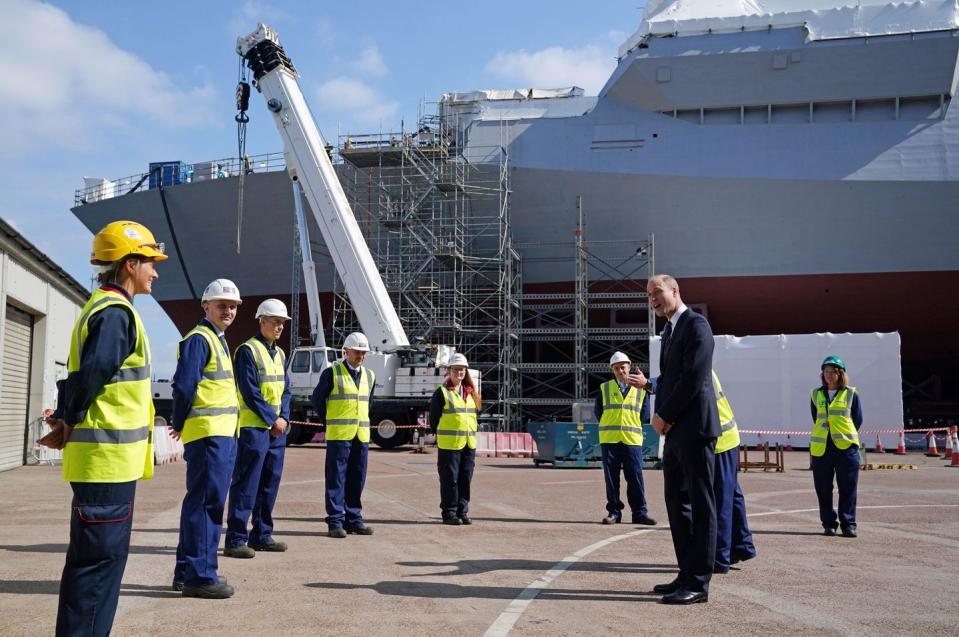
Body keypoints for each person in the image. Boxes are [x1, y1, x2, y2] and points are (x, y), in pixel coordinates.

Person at [40, 220, 166, 635]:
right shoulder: (116, 313)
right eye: (150, 262)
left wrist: (65, 416)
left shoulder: (106, 308)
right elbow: (91, 376)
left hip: (106, 464)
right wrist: (68, 418)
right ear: (129, 264)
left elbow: (84, 378)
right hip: (106, 465)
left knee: (93, 568)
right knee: (96, 573)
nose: (155, 271)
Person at [647, 274, 721, 605]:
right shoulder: (668, 331)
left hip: (695, 429)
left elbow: (694, 377)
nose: (652, 299)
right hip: (675, 431)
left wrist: (665, 415)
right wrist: (654, 401)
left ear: (675, 291)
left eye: (657, 292)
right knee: (677, 505)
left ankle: (699, 582)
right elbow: (669, 379)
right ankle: (685, 572)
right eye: (648, 295)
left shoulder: (696, 325)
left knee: (701, 504)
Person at [170, 279, 242, 599]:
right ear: (206, 307)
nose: (228, 310)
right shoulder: (200, 339)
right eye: (221, 305)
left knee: (199, 504)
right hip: (211, 436)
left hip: (217, 434)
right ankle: (200, 576)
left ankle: (187, 571)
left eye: (232, 306)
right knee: (207, 506)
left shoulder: (217, 339)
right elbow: (184, 385)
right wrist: (178, 420)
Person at [224, 299, 293, 558]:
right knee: (246, 483)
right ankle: (235, 539)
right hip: (253, 428)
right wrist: (272, 419)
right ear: (261, 320)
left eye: (282, 324)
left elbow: (286, 389)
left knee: (269, 484)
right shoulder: (246, 351)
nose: (279, 327)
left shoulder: (281, 354)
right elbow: (249, 391)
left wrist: (284, 418)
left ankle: (262, 534)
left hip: (276, 430)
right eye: (275, 322)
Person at [311, 332, 376, 538]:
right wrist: (329, 420)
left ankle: (354, 519)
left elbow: (368, 403)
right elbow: (317, 400)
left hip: (361, 435)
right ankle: (335, 521)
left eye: (363, 353)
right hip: (339, 435)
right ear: (345, 351)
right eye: (357, 352)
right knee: (336, 479)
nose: (360, 356)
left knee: (357, 478)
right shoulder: (332, 373)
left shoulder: (370, 375)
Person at [593, 351, 656, 526]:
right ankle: (614, 512)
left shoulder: (641, 391)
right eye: (617, 368)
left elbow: (644, 415)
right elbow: (599, 413)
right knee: (611, 478)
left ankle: (640, 513)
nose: (621, 371)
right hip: (610, 439)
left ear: (629, 367)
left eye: (623, 367)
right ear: (612, 371)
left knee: (635, 477)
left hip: (632, 440)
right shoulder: (604, 389)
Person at [810, 355, 863, 538]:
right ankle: (828, 523)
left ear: (841, 374)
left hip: (845, 447)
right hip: (822, 448)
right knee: (823, 488)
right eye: (826, 372)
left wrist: (840, 433)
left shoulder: (850, 394)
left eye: (833, 372)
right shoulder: (816, 394)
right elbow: (816, 417)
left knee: (848, 487)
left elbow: (857, 420)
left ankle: (848, 524)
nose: (829, 375)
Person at [709, 370, 757, 573]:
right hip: (727, 437)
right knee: (732, 496)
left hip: (719, 441)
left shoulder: (693, 362)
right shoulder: (701, 362)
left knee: (721, 500)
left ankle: (720, 557)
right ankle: (741, 547)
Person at [429, 353, 480, 525]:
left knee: (465, 479)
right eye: (456, 369)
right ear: (449, 371)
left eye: (463, 369)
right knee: (450, 480)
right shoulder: (442, 393)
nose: (460, 372)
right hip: (450, 445)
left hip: (468, 444)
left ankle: (462, 511)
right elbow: (433, 420)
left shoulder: (470, 393)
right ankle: (449, 512)